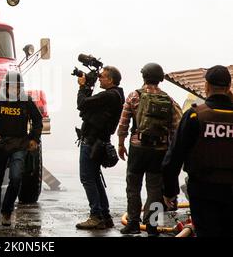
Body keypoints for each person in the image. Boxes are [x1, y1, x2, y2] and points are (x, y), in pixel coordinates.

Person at [162, 65, 233, 237]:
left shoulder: (195, 115)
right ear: (229, 87)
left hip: (203, 191)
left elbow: (174, 156)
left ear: (206, 86)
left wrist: (170, 191)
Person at [117, 63, 182, 236]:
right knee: (155, 189)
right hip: (159, 150)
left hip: (138, 149)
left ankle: (132, 223)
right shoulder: (168, 99)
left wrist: (121, 143)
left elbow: (123, 123)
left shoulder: (134, 96)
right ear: (160, 79)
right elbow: (176, 126)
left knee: (133, 186)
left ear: (143, 77)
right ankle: (152, 226)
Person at [0, 70, 43, 229]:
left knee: (15, 179)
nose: (15, 89)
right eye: (11, 86)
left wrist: (34, 139)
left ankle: (6, 212)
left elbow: (38, 120)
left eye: (17, 86)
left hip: (19, 146)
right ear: (5, 86)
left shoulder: (26, 101)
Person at [75, 66, 125, 230]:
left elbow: (82, 103)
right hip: (99, 141)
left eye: (102, 77)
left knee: (87, 179)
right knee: (95, 178)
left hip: (92, 142)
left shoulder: (109, 96)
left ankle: (96, 216)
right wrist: (88, 87)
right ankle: (105, 215)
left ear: (111, 80)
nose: (99, 79)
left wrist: (83, 87)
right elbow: (88, 106)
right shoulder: (116, 95)